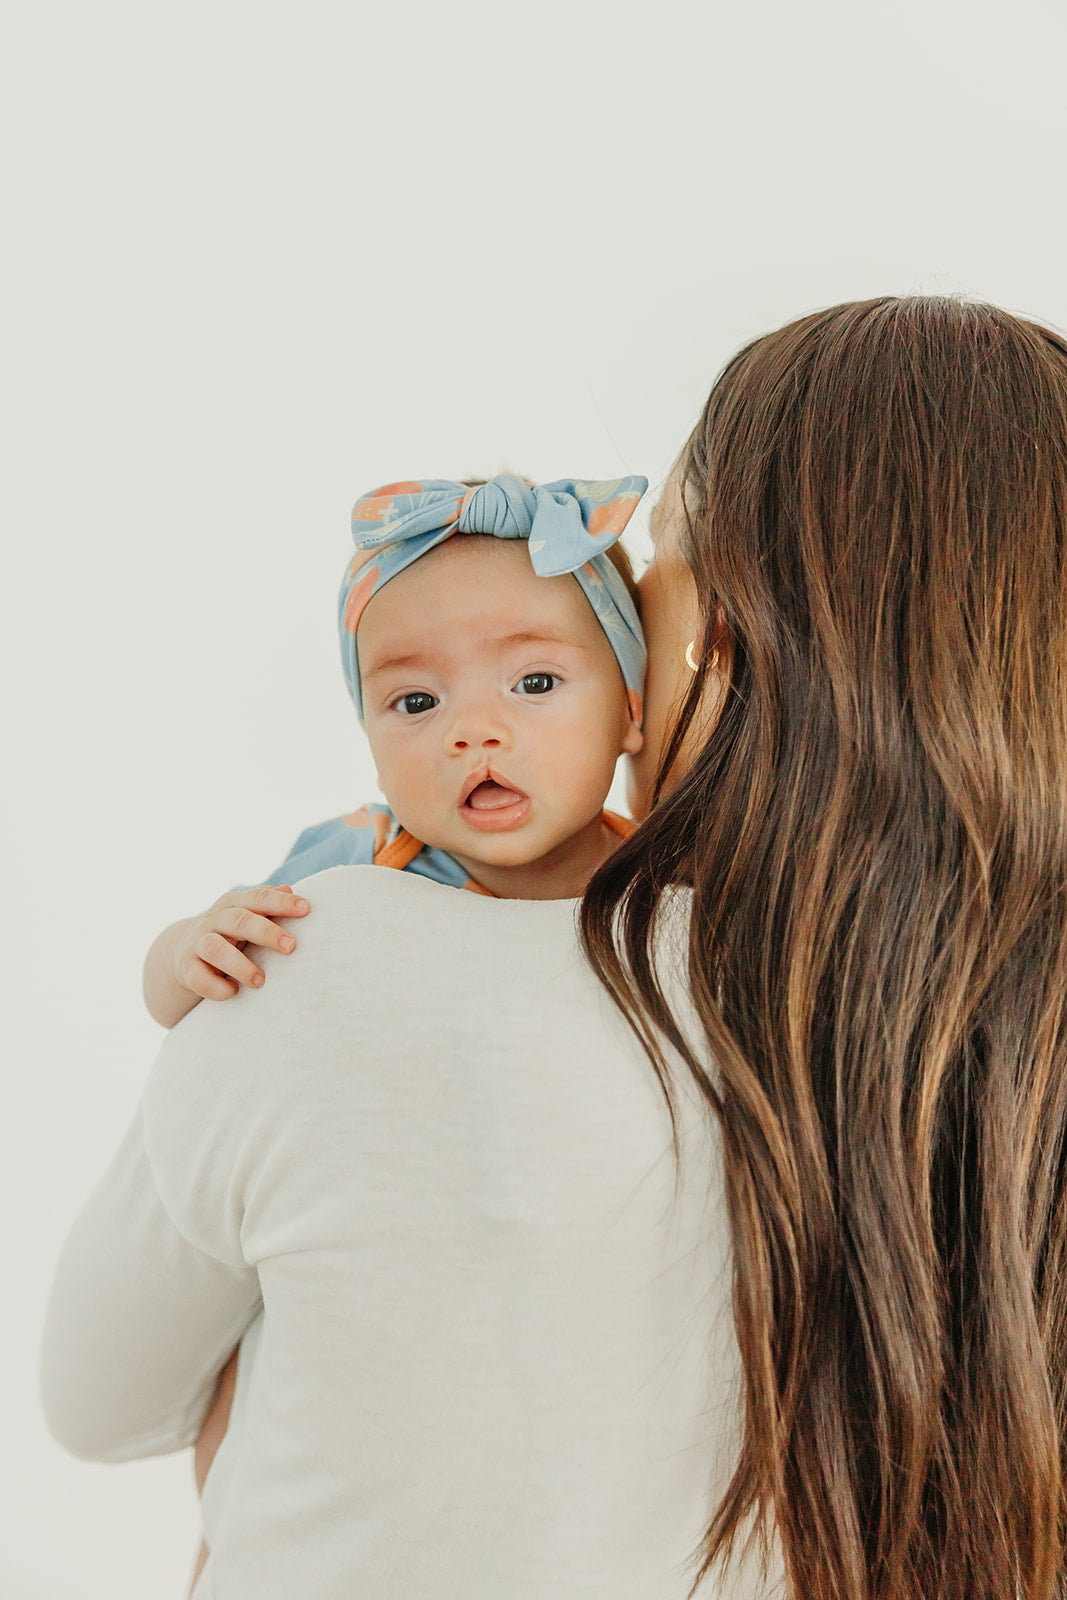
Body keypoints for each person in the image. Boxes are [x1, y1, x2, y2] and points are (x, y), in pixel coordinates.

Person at [40, 295, 1067, 1600]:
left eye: (668, 546)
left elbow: (99, 1402)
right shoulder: (973, 1061)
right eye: (417, 697)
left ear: (723, 630)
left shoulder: (312, 961)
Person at [141, 474, 647, 1031]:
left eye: (536, 683)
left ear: (629, 707)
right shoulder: (365, 861)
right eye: (417, 700)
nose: (474, 731)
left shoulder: (673, 871)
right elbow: (180, 1000)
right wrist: (185, 950)